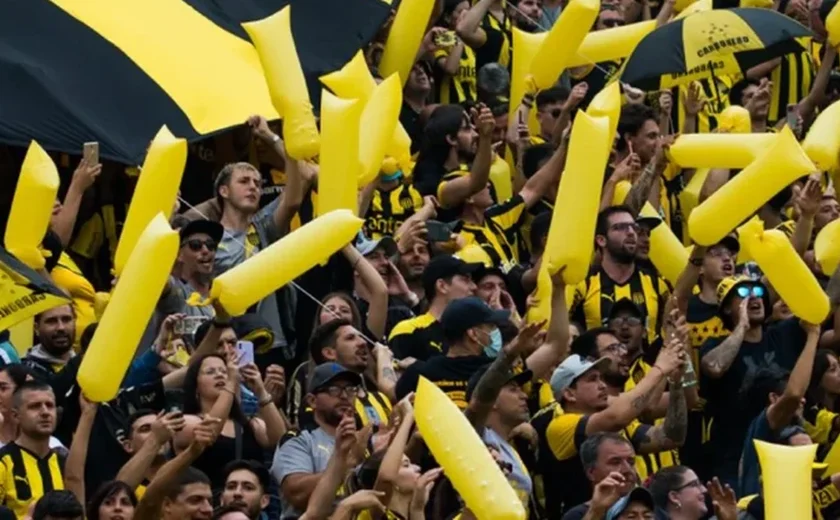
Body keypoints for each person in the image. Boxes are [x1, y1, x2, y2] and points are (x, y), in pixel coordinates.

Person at [534, 342, 684, 517]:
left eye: (601, 378)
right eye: (592, 379)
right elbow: (617, 417)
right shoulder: (560, 426)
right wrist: (660, 369)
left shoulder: (618, 426)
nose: (602, 385)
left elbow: (671, 438)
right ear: (569, 394)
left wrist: (676, 384)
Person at [699, 275, 813, 487]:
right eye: (743, 293)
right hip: (735, 462)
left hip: (785, 448)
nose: (754, 297)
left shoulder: (784, 334)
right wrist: (742, 326)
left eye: (759, 292)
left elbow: (824, 308)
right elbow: (714, 368)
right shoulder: (714, 345)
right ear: (726, 308)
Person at [212, 115, 302, 361]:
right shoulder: (206, 239)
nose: (253, 187)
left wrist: (272, 138)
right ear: (224, 191)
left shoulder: (264, 226)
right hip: (225, 344)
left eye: (257, 183)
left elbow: (295, 193)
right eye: (243, 181)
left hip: (270, 344)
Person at [174, 354, 286, 491]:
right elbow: (211, 432)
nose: (220, 375)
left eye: (224, 372)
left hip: (250, 507)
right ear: (196, 386)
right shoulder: (186, 422)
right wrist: (231, 383)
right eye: (210, 372)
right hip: (206, 504)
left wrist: (261, 391)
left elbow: (279, 440)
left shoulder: (249, 424)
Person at [272, 363, 366, 520]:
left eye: (350, 389)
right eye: (334, 389)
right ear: (312, 401)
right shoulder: (299, 439)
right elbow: (297, 494)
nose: (344, 396)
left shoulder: (363, 440)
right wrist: (347, 463)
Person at [570, 206, 671, 345]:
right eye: (620, 227)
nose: (630, 232)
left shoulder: (657, 285)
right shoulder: (583, 286)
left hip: (649, 365)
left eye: (633, 227)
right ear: (601, 240)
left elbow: (672, 333)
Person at [389, 256, 479, 362]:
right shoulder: (409, 331)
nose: (474, 287)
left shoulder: (475, 334)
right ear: (442, 286)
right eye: (465, 280)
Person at [305, 319, 393, 427]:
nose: (363, 342)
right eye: (350, 338)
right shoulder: (320, 404)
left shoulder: (381, 398)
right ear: (329, 353)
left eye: (361, 337)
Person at [0, 382, 64, 517]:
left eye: (50, 405)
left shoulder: (65, 463)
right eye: (35, 406)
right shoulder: (4, 462)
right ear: (15, 416)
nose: (45, 412)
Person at [559, 433, 640, 520]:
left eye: (631, 462)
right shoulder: (577, 515)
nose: (627, 469)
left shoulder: (650, 507)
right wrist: (596, 512)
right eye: (615, 462)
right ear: (591, 473)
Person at [24, 305, 77, 382]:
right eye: (52, 321)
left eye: (66, 320)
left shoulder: (88, 365)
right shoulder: (26, 373)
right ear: (36, 328)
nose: (61, 327)